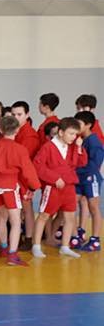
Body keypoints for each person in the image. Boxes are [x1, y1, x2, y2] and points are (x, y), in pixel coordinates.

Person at [0, 116, 40, 266]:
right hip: (10, 185)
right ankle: (12, 254)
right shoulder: (19, 149)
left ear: (0, 129)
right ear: (17, 130)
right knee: (15, 221)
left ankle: (4, 248)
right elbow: (27, 170)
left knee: (1, 217)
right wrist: (33, 186)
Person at [31, 117, 88, 259]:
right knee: (44, 215)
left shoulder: (73, 147)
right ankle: (36, 246)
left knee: (70, 217)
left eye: (75, 134)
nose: (73, 137)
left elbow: (82, 162)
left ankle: (65, 246)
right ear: (61, 132)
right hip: (52, 188)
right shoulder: (48, 147)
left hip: (69, 187)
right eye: (71, 134)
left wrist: (79, 147)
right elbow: (37, 165)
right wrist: (54, 178)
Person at [11, 101, 41, 251]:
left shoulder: (30, 136)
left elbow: (25, 161)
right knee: (18, 209)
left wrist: (30, 184)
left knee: (26, 208)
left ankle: (29, 238)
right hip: (14, 176)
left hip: (24, 178)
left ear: (27, 115)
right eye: (14, 114)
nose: (16, 117)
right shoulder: (15, 131)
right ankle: (22, 236)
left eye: (19, 114)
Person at [73, 111, 103, 252]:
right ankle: (77, 234)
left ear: (88, 125)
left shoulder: (94, 141)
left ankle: (95, 239)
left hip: (91, 179)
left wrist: (77, 170)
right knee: (72, 204)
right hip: (79, 179)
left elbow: (95, 164)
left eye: (79, 124)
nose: (76, 126)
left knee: (93, 207)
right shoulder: (81, 139)